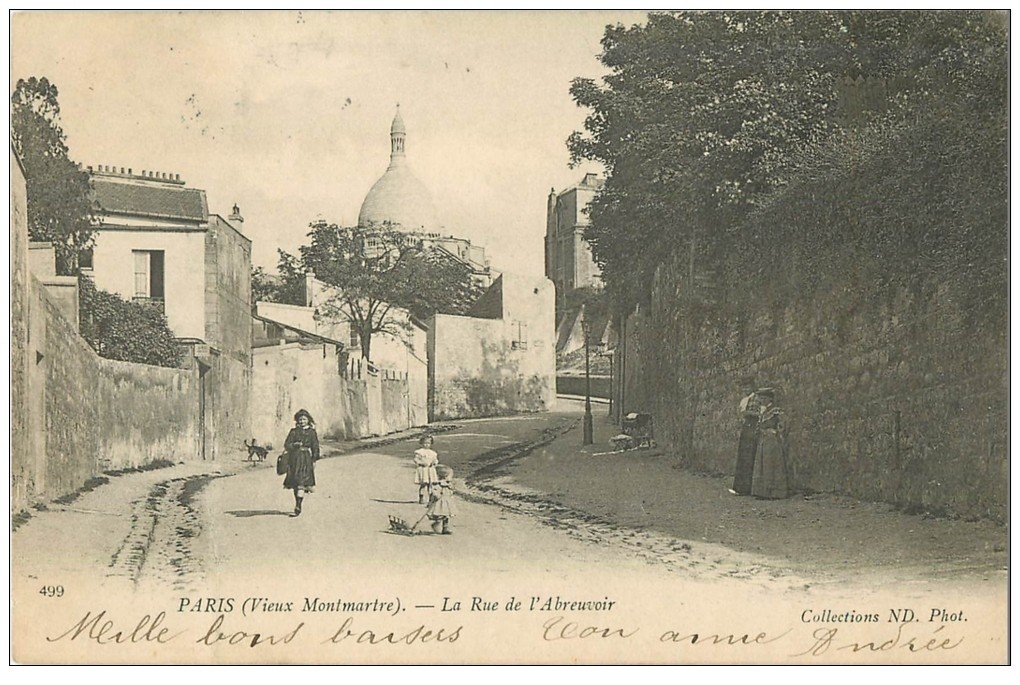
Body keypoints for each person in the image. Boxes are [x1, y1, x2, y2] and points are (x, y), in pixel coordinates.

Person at [751, 389, 790, 500]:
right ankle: (762, 492)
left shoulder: (776, 411)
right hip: (763, 440)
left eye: (763, 398)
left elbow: (783, 424)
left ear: (770, 399)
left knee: (771, 464)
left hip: (772, 441)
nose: (761, 400)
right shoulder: (763, 411)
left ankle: (774, 492)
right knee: (762, 464)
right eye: (760, 398)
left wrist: (776, 432)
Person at [283, 409, 319, 516]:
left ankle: (298, 505)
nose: (302, 421)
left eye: (304, 419)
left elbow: (315, 446)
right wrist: (294, 445)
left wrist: (314, 459)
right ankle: (297, 502)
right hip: (294, 459)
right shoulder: (293, 431)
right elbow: (287, 444)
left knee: (301, 483)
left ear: (308, 420)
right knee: (295, 483)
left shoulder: (312, 432)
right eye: (300, 419)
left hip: (306, 459)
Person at [730, 381, 761, 496]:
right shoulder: (746, 399)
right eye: (743, 387)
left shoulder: (756, 398)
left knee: (749, 457)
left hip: (752, 428)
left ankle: (747, 487)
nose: (745, 389)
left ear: (752, 386)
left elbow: (760, 413)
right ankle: (740, 487)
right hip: (746, 428)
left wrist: (747, 413)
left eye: (747, 386)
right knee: (743, 456)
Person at [411, 464, 456, 535]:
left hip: (447, 503)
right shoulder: (437, 484)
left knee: (446, 516)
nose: (451, 478)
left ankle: (445, 528)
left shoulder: (448, 485)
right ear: (444, 477)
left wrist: (450, 489)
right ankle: (436, 524)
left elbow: (451, 492)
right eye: (450, 476)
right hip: (439, 503)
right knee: (439, 515)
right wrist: (436, 495)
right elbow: (434, 492)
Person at [413, 434, 439, 504]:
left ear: (431, 444)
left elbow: (435, 460)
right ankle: (421, 497)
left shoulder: (433, 453)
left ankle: (430, 498)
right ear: (422, 443)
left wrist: (434, 462)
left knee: (430, 485)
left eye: (428, 443)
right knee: (423, 484)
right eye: (425, 443)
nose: (426, 445)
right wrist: (421, 463)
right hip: (423, 469)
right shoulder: (420, 452)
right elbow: (416, 459)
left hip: (430, 469)